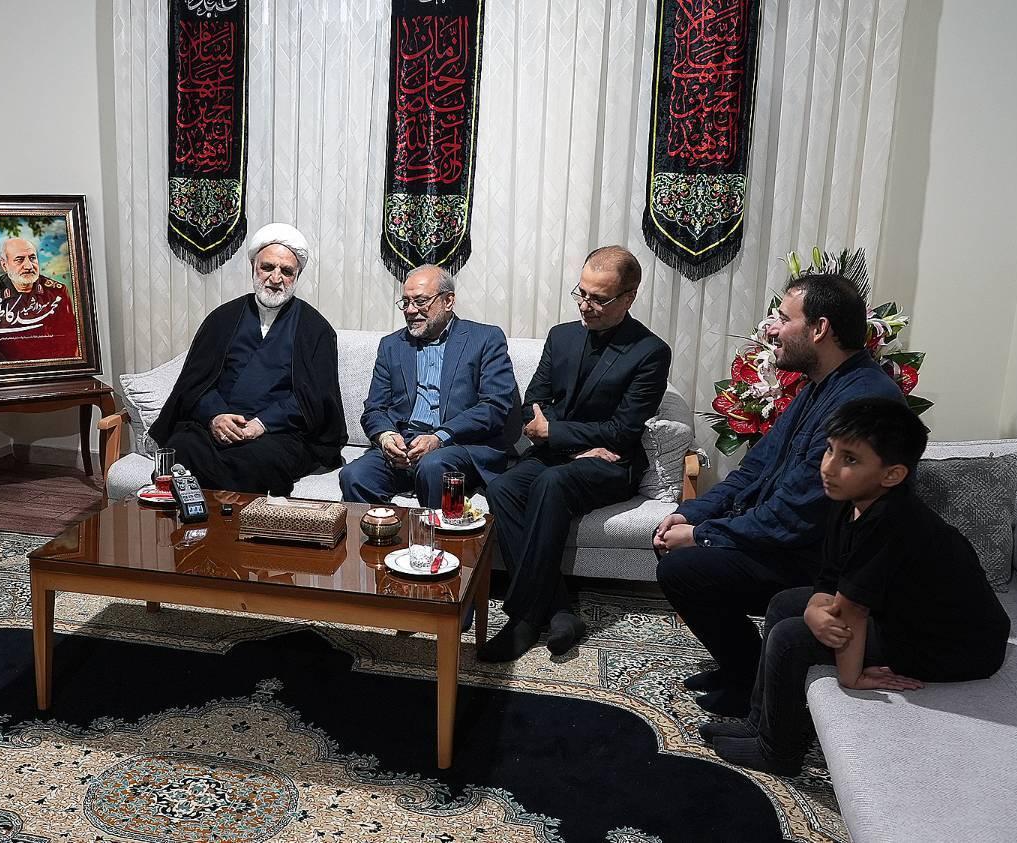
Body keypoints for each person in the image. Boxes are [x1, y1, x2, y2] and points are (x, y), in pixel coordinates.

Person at [705, 397, 1011, 775]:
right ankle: (759, 722)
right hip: (901, 612)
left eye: (849, 459)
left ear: (892, 475)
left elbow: (854, 609)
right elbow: (830, 577)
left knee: (790, 638)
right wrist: (815, 609)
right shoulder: (847, 499)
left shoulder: (892, 520)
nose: (829, 467)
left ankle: (777, 751)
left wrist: (853, 677)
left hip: (954, 644)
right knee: (784, 603)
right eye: (829, 450)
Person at [654, 272, 902, 716]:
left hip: (820, 559)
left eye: (784, 319)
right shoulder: (821, 385)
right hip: (793, 540)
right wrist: (692, 513)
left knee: (684, 569)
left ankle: (749, 680)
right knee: (675, 545)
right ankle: (742, 668)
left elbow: (799, 516)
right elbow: (755, 467)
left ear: (820, 329)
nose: (772, 329)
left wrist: (703, 535)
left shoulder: (862, 401)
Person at [478, 246, 671, 662]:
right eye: (581, 293)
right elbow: (534, 403)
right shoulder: (561, 336)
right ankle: (560, 611)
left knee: (551, 482)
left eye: (598, 299)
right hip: (558, 454)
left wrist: (557, 432)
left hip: (611, 465)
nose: (585, 305)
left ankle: (524, 618)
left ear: (628, 297)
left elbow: (623, 431)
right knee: (503, 487)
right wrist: (567, 440)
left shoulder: (650, 352)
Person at [148, 223, 346, 495]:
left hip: (279, 433)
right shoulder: (222, 319)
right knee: (182, 449)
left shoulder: (315, 329)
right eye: (268, 267)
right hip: (217, 427)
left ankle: (230, 520)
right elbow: (195, 385)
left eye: (286, 271)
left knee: (259, 461)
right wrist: (216, 416)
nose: (275, 278)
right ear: (254, 267)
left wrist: (261, 424)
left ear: (297, 275)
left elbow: (314, 398)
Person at [339, 264, 520, 509]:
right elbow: (374, 409)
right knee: (354, 475)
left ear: (448, 301)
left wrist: (439, 437)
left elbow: (495, 406)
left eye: (420, 301)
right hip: (406, 448)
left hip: (460, 447)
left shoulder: (485, 339)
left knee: (433, 466)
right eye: (406, 302)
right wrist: (386, 437)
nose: (411, 310)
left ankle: (439, 533)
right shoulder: (392, 345)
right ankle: (388, 533)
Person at [0, 236, 81, 363]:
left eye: (32, 258)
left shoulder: (57, 293)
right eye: (19, 260)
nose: (29, 266)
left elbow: (68, 337)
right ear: (5, 265)